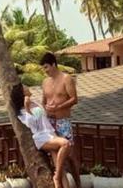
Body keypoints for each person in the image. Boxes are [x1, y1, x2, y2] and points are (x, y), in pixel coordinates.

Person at [10, 83, 71, 188]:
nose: (27, 87)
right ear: (22, 92)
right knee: (65, 144)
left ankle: (60, 182)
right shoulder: (21, 111)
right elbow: (31, 124)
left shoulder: (34, 102)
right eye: (25, 87)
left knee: (60, 166)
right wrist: (27, 107)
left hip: (51, 133)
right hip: (41, 137)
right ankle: (56, 176)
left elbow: (44, 117)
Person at [40, 52, 80, 188]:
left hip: (63, 121)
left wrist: (59, 107)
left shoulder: (66, 78)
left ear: (53, 64)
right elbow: (43, 101)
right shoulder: (45, 82)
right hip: (50, 122)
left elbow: (74, 99)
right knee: (55, 155)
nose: (45, 71)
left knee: (70, 156)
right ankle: (60, 182)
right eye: (43, 68)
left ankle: (78, 184)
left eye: (46, 67)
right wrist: (46, 108)